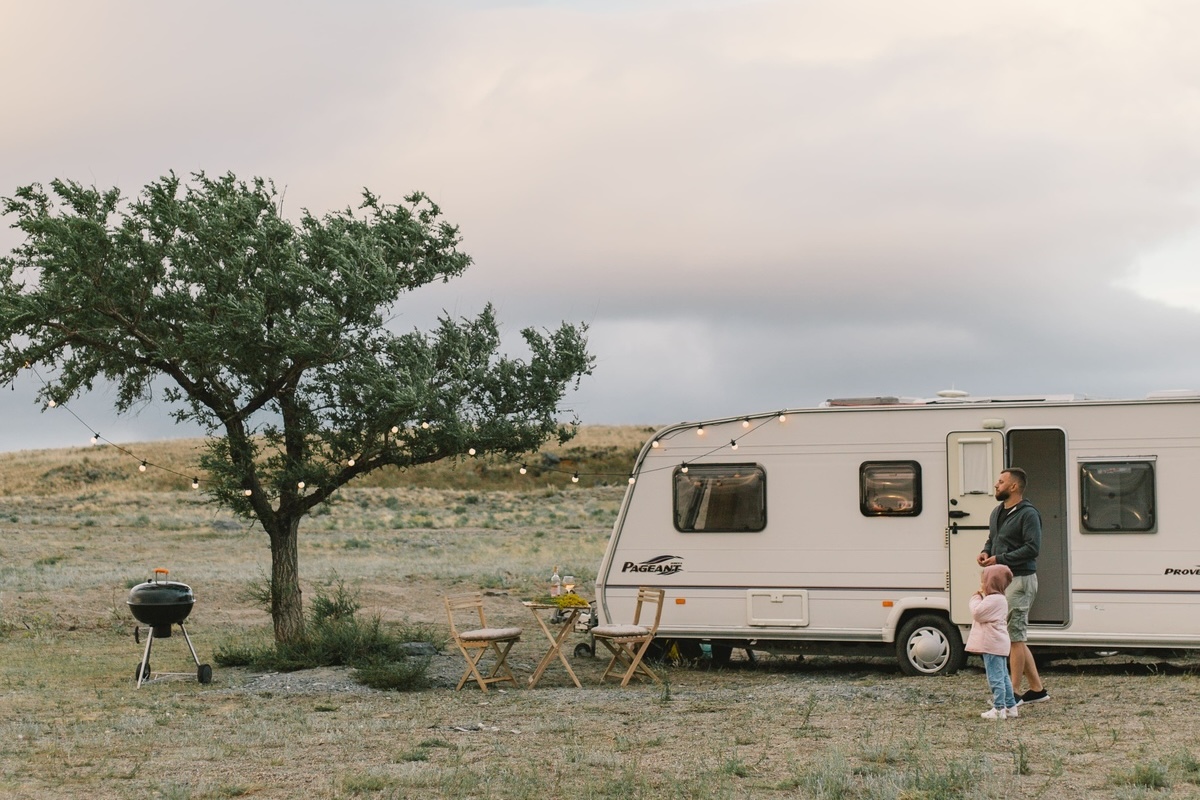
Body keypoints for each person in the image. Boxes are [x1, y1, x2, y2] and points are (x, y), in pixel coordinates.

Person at [977, 467, 1050, 704]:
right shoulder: (997, 512)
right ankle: (1037, 690)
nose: (996, 485)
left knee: (1014, 637)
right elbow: (993, 539)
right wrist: (986, 551)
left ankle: (1013, 694)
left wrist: (1001, 558)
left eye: (1000, 482)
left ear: (1014, 486)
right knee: (1015, 635)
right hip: (1006, 580)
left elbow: (1032, 548)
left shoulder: (1028, 514)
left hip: (1021, 579)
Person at [967, 564, 1018, 719]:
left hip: (991, 644)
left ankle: (999, 709)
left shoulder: (993, 599)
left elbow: (977, 613)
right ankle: (1010, 706)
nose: (982, 585)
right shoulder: (1000, 599)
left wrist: (975, 598)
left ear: (992, 582)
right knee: (1003, 676)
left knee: (995, 677)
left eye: (984, 581)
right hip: (999, 644)